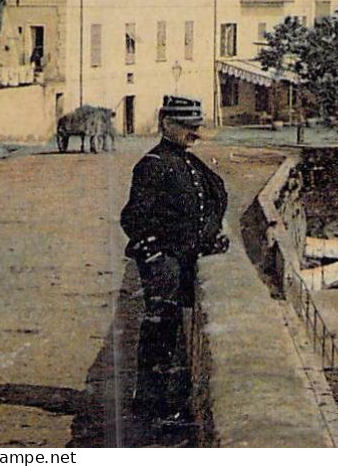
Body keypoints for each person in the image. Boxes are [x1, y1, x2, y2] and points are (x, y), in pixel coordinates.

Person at [120, 96, 229, 429]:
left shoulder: (189, 163)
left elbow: (213, 198)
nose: (193, 134)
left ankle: (166, 403)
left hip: (184, 261)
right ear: (166, 124)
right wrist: (156, 256)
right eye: (187, 127)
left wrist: (209, 237)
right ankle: (151, 404)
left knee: (173, 334)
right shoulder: (152, 164)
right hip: (164, 264)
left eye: (195, 127)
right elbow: (133, 218)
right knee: (159, 331)